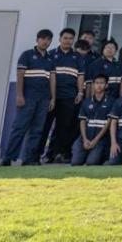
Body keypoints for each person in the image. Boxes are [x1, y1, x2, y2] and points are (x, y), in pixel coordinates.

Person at [0, 29, 56, 166]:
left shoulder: (50, 59)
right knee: (19, 127)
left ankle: (29, 159)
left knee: (37, 130)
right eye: (43, 38)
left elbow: (52, 79)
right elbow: (20, 75)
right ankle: (8, 158)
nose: (45, 42)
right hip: (28, 97)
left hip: (44, 99)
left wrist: (52, 98)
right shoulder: (27, 55)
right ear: (37, 40)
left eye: (48, 39)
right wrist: (19, 95)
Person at [44, 27, 85, 163]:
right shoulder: (50, 55)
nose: (68, 41)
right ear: (60, 39)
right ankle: (41, 155)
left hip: (69, 97)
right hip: (50, 97)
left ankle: (57, 154)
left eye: (70, 39)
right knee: (45, 126)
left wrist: (80, 92)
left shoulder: (77, 57)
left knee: (63, 128)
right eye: (65, 38)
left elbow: (80, 77)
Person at [72, 73, 113, 166]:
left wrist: (95, 140)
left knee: (92, 163)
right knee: (75, 163)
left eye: (102, 83)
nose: (99, 85)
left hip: (100, 138)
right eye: (97, 83)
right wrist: (85, 139)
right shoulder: (87, 102)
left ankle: (102, 156)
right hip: (86, 136)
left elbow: (108, 124)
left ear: (106, 85)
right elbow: (82, 122)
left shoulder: (111, 102)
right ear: (93, 85)